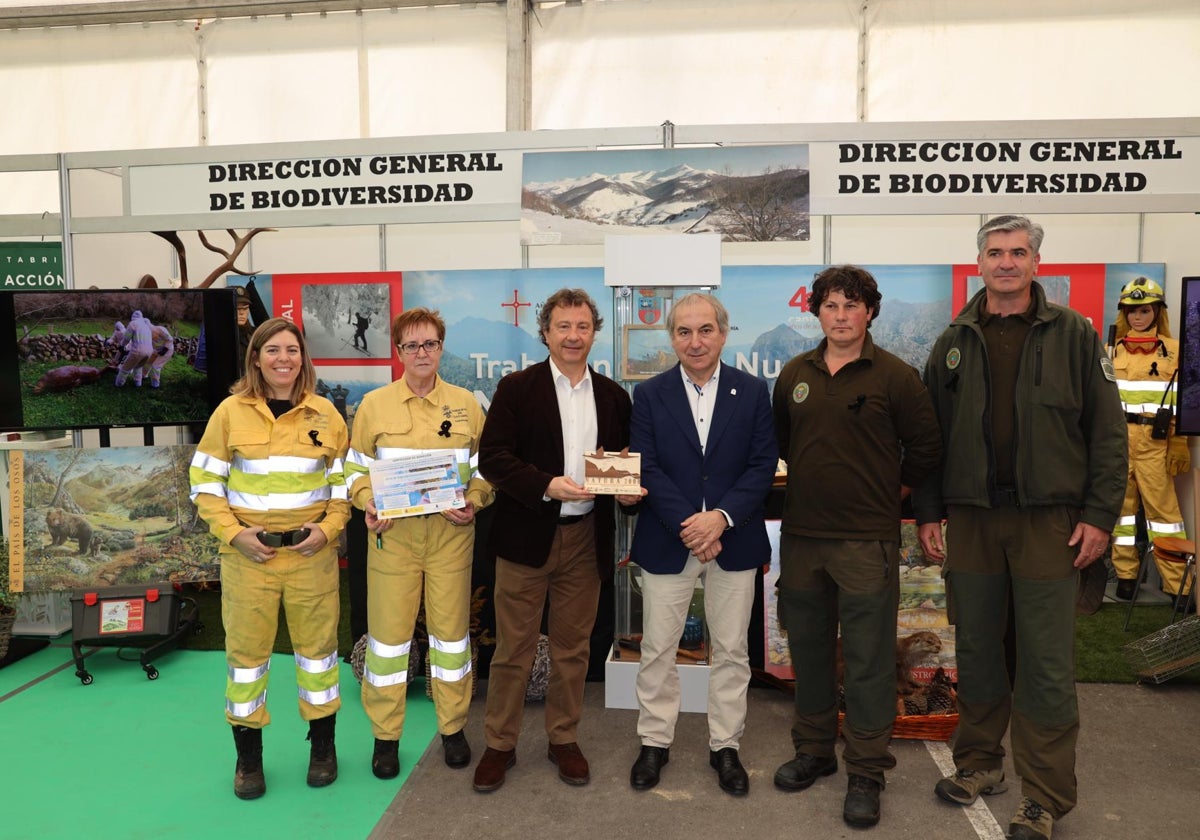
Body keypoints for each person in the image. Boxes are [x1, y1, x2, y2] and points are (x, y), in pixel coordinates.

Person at [913, 215, 1127, 840]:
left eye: (1018, 252)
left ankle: (1045, 797)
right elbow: (929, 439)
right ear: (978, 262)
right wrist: (929, 511)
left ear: (1036, 262)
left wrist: (1097, 517)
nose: (1006, 262)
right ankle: (980, 765)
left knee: (1046, 665)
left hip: (1050, 526)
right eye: (995, 252)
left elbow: (1108, 436)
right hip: (974, 522)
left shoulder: (1076, 336)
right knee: (978, 650)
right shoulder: (953, 340)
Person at [771, 266, 941, 828]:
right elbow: (782, 443)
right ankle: (814, 751)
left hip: (866, 540)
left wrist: (894, 493)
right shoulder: (795, 373)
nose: (841, 316)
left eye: (852, 305)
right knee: (811, 651)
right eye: (831, 306)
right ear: (816, 312)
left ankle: (866, 769)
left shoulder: (896, 376)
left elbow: (924, 448)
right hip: (801, 539)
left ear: (870, 312)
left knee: (868, 660)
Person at [472, 287, 634, 793]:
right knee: (513, 651)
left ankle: (563, 738)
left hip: (586, 537)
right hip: (525, 538)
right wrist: (546, 484)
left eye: (582, 326)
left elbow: (621, 463)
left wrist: (626, 493)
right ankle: (500, 745)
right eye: (563, 326)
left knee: (573, 649)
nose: (573, 336)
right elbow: (493, 458)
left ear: (594, 333)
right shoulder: (517, 388)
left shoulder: (612, 396)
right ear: (545, 332)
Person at [189, 317, 350, 801]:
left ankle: (322, 749)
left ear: (304, 358)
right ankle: (248, 760)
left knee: (319, 655)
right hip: (247, 561)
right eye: (273, 350)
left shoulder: (326, 415)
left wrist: (326, 530)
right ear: (255, 358)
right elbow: (204, 485)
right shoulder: (229, 414)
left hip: (311, 557)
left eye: (292, 350)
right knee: (245, 663)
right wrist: (236, 536)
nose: (284, 359)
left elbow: (345, 491)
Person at [626, 292, 777, 797]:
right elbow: (646, 464)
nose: (695, 341)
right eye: (684, 331)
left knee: (732, 650)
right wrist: (692, 524)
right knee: (657, 649)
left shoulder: (753, 392)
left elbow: (761, 466)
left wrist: (721, 519)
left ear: (723, 332)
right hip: (671, 538)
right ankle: (654, 742)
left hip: (733, 538)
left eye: (705, 330)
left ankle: (725, 746)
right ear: (671, 338)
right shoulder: (647, 396)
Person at [344, 308, 494, 780]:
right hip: (394, 540)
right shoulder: (373, 406)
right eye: (412, 345)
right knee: (388, 644)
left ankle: (452, 729)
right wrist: (368, 502)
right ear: (398, 351)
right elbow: (352, 469)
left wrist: (473, 500)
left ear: (441, 347)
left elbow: (488, 467)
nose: (422, 353)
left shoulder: (468, 406)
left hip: (452, 537)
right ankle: (385, 738)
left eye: (430, 344)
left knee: (451, 640)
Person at [1108, 276, 1193, 609]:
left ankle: (1178, 587)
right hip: (1118, 444)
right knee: (1121, 516)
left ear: (1158, 311)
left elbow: (1186, 398)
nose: (1137, 317)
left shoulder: (1175, 350)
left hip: (1155, 445)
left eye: (1144, 310)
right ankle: (1126, 577)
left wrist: (1180, 441)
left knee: (1164, 517)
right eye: (1131, 311)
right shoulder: (1110, 350)